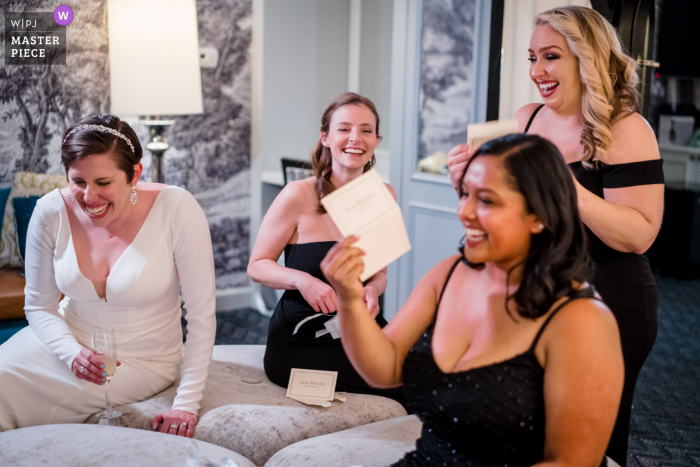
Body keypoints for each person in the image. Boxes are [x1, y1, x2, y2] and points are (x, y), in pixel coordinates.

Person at [323, 134, 624, 466]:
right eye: (465, 193)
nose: (463, 211)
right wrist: (349, 298)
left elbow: (570, 462)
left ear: (540, 216)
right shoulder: (449, 273)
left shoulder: (582, 320)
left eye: (487, 201)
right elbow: (387, 368)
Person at [447, 7, 663, 464]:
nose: (537, 72)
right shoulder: (524, 120)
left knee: (583, 441)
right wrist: (468, 185)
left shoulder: (625, 129)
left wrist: (562, 186)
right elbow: (501, 215)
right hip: (537, 291)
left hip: (609, 297)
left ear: (586, 58)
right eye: (531, 58)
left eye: (551, 56)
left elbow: (639, 235)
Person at [0, 115, 216, 437]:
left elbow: (201, 316)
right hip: (60, 342)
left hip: (143, 361)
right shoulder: (49, 212)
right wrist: (71, 353)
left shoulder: (177, 209)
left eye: (103, 183)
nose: (89, 197)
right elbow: (39, 307)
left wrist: (185, 403)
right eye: (78, 182)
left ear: (135, 174)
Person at [248, 92, 404, 403]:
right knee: (402, 384)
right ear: (326, 137)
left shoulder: (384, 194)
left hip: (360, 329)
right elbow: (257, 265)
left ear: (377, 139)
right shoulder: (297, 195)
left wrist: (373, 289)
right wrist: (302, 280)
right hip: (303, 338)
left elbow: (380, 273)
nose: (355, 138)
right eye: (344, 129)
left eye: (366, 130)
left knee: (424, 369)